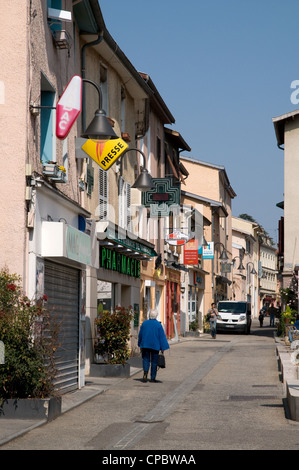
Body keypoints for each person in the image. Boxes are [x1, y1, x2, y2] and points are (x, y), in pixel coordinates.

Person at [138, 309, 169, 383]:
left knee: (146, 359)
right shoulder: (158, 325)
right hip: (155, 346)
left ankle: (145, 373)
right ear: (156, 316)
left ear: (149, 315)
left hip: (145, 345)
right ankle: (152, 378)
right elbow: (162, 337)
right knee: (154, 362)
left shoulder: (144, 324)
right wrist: (163, 347)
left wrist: (140, 344)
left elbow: (140, 335)